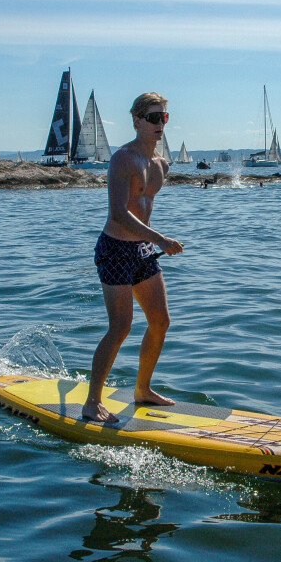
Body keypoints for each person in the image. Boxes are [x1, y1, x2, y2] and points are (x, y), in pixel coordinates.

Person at [84, 92, 185, 423]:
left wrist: (154, 240)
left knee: (160, 322)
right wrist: (161, 239)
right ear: (138, 120)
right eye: (154, 118)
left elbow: (145, 210)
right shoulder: (123, 159)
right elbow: (118, 213)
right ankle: (92, 402)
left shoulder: (161, 163)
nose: (160, 125)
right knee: (121, 327)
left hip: (141, 250)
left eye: (164, 118)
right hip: (115, 249)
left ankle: (142, 389)